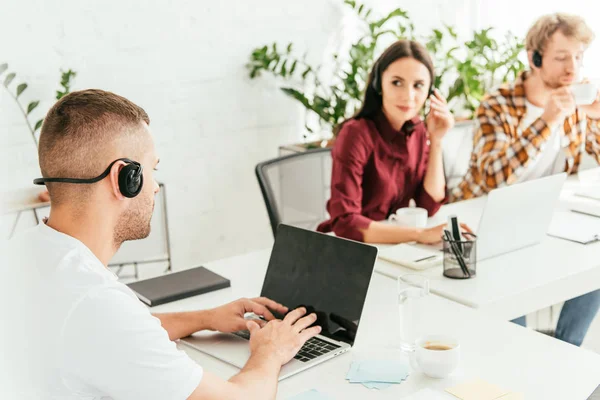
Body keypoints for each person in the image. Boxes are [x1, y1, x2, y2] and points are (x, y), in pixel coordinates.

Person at [0, 89, 321, 400]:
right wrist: (270, 351)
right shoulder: (95, 302)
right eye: (152, 170)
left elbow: (113, 332)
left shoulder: (22, 254)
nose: (154, 187)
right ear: (125, 179)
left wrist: (205, 317)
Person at [450, 13, 600, 346]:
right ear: (534, 59)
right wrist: (547, 119)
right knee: (510, 315)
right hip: (483, 222)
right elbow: (494, 178)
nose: (572, 68)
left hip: (543, 219)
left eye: (578, 57)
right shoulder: (497, 104)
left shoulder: (577, 102)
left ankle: (565, 349)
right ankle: (521, 354)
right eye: (561, 58)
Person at [317, 40, 464, 244]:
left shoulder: (418, 131)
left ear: (430, 92)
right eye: (397, 82)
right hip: (351, 246)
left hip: (389, 245)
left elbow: (429, 205)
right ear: (379, 84)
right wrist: (419, 235)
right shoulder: (356, 134)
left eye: (418, 85)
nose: (408, 96)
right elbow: (346, 222)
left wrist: (436, 140)